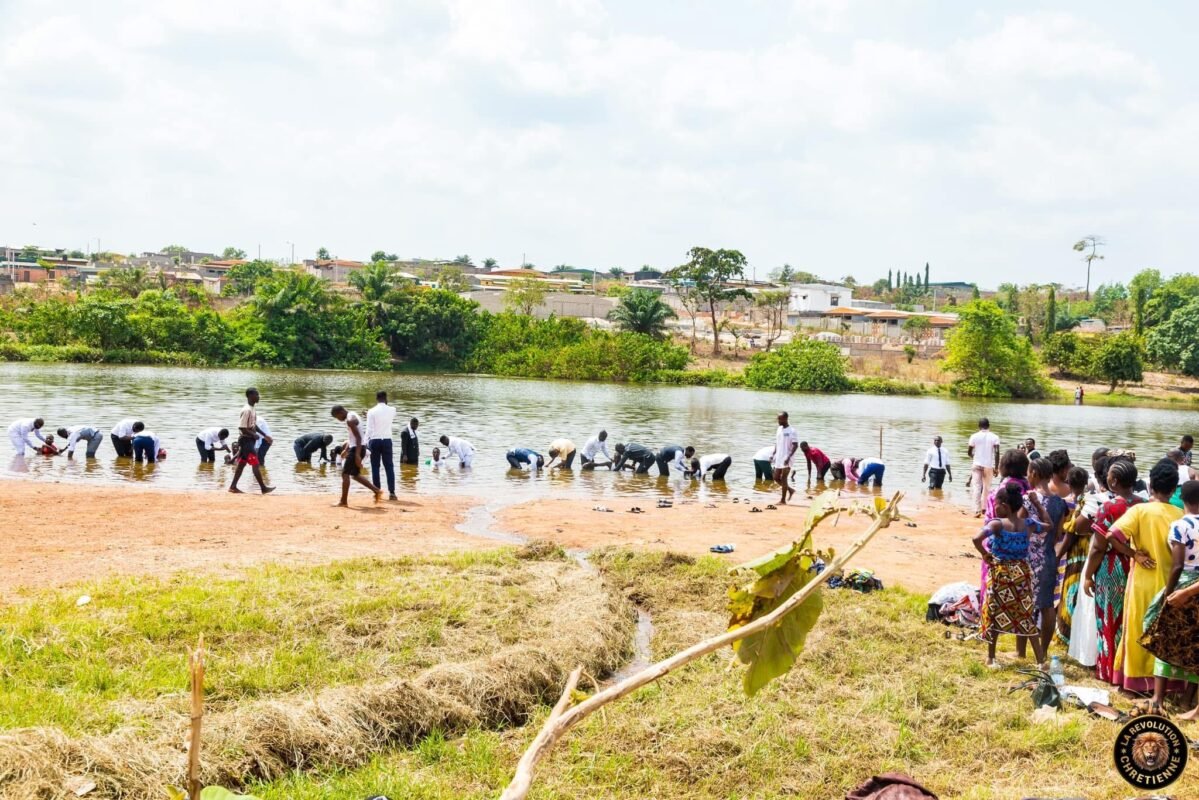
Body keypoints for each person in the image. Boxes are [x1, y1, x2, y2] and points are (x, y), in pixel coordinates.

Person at [1104, 459, 1184, 699]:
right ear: (1173, 489)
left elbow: (1111, 535)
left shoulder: (1139, 511)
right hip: (1171, 583)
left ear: (1151, 486)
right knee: (1164, 632)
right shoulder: (1180, 515)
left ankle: (1133, 683)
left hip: (1143, 581)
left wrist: (1134, 554)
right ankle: (1166, 685)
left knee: (1137, 629)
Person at [974, 483, 1048, 669]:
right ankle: (1041, 661)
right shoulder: (1028, 524)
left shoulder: (996, 524)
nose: (994, 507)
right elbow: (1049, 525)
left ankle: (991, 658)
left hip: (1000, 575)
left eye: (996, 504)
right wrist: (1038, 505)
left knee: (994, 613)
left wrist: (985, 554)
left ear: (1005, 506)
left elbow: (976, 539)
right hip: (1021, 575)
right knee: (1025, 615)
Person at [1142, 479, 1199, 714]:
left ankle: (1158, 698)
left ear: (1182, 499)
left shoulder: (1180, 526)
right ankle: (1187, 699)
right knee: (1195, 642)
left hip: (1183, 585)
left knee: (1162, 635)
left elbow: (1177, 565)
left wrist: (1168, 594)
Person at [1023, 458, 1067, 659]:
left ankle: (1021, 651)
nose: (1027, 476)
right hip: (1049, 556)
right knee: (1047, 605)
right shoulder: (1060, 502)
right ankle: (1043, 651)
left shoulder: (1028, 499)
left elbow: (1020, 526)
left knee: (1026, 603)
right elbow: (1058, 535)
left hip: (1029, 557)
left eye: (1028, 472)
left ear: (1034, 474)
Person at [332, 404, 382, 506]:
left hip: (357, 449)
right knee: (355, 475)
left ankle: (343, 501)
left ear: (340, 413)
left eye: (337, 417)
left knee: (345, 474)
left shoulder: (350, 420)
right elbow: (353, 437)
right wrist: (346, 449)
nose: (338, 419)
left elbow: (358, 438)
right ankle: (377, 490)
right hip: (358, 447)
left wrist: (357, 455)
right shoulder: (352, 414)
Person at [229, 387, 275, 495]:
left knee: (241, 464)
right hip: (246, 441)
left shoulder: (252, 409)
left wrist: (265, 436)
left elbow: (254, 426)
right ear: (250, 396)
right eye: (257, 395)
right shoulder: (247, 410)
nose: (259, 397)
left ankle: (233, 487)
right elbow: (242, 427)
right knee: (255, 463)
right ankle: (263, 488)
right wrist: (253, 435)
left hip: (249, 441)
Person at [366, 391, 397, 501]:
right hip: (387, 440)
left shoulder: (371, 411)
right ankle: (392, 493)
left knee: (375, 467)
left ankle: (377, 492)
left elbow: (369, 429)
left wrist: (365, 442)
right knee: (389, 467)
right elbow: (387, 413)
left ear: (376, 398)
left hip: (375, 440)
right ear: (386, 398)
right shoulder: (393, 410)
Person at [968, 418, 1001, 517]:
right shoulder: (994, 437)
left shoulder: (974, 436)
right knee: (986, 487)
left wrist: (975, 457)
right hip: (988, 465)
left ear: (979, 426)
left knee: (976, 487)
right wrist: (996, 468)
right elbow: (997, 452)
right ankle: (984, 508)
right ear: (989, 426)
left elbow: (969, 452)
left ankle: (977, 510)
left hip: (976, 464)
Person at [773, 412, 799, 505]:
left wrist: (789, 456)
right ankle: (790, 490)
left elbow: (795, 445)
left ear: (785, 419)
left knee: (784, 478)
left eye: (780, 419)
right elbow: (777, 442)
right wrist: (773, 453)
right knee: (776, 477)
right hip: (779, 457)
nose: (778, 421)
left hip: (787, 458)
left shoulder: (792, 430)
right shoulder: (779, 429)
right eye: (778, 419)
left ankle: (783, 500)